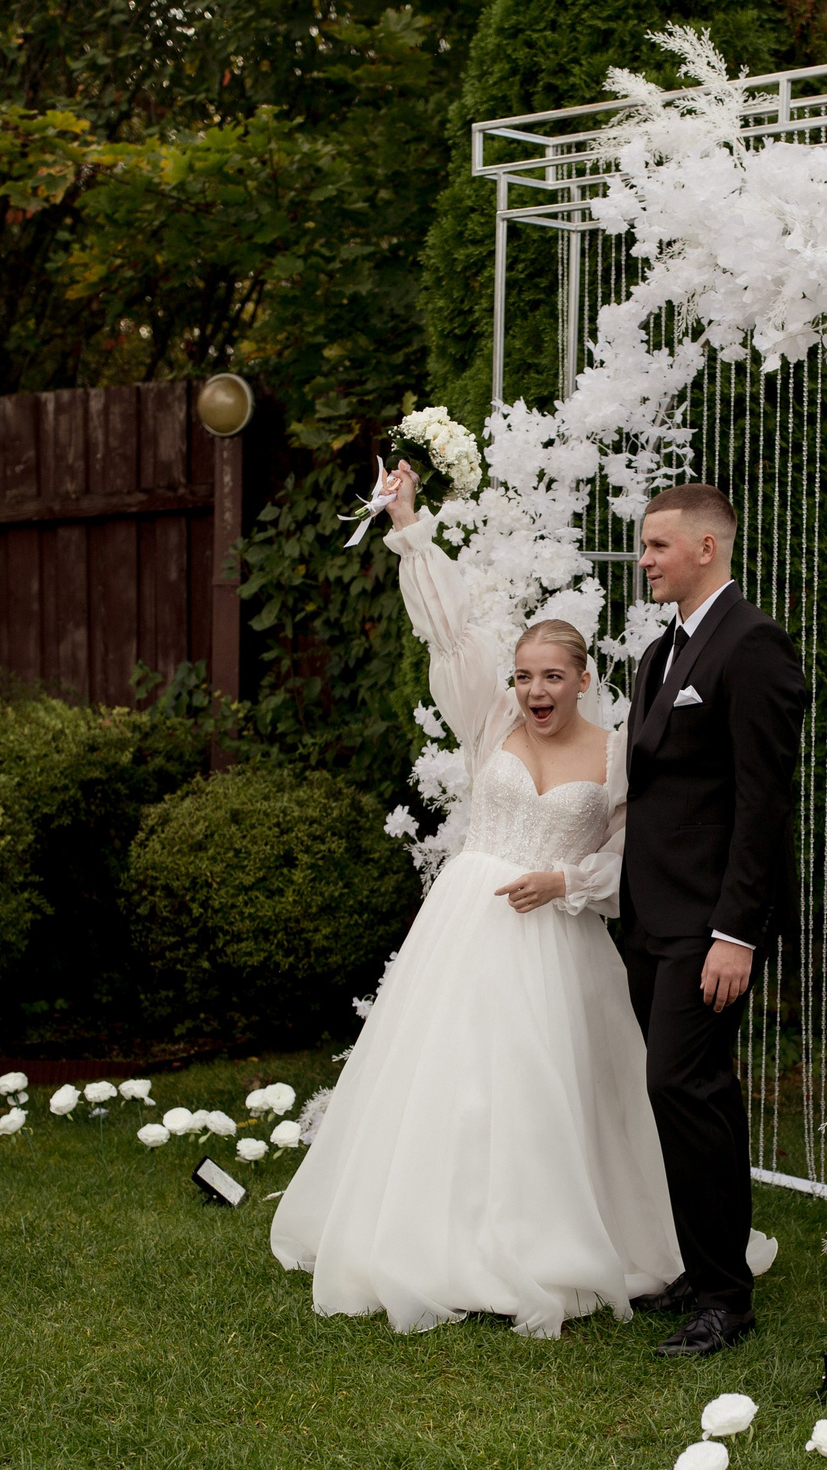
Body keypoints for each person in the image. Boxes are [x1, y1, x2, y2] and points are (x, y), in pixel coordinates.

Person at [268, 463, 683, 1338]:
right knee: (447, 1082)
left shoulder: (614, 754)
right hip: (464, 925)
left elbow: (628, 856)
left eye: (552, 678)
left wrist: (566, 882)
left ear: (583, 680)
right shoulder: (488, 720)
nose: (535, 691)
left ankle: (548, 1237)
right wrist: (408, 523)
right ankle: (436, 1235)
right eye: (525, 675)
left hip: (557, 938)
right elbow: (450, 631)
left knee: (546, 1091)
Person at [620, 484, 808, 1358]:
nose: (646, 559)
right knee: (700, 1098)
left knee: (680, 1086)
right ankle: (708, 1271)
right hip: (650, 918)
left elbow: (762, 804)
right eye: (643, 545)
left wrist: (737, 931)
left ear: (706, 546)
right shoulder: (660, 655)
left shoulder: (753, 644)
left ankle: (725, 1302)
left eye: (658, 545)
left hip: (709, 926)